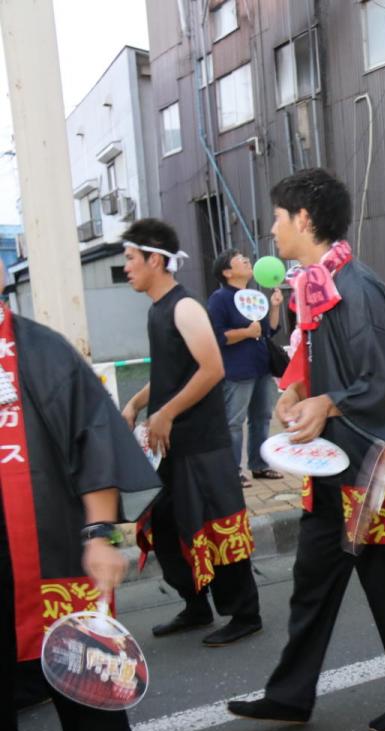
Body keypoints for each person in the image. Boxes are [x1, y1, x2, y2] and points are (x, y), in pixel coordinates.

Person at [227, 169, 385, 731]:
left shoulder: (357, 288)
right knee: (312, 582)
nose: (272, 229)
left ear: (304, 219)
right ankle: (290, 695)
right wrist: (298, 393)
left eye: (279, 217)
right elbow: (319, 368)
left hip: (370, 469)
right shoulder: (318, 283)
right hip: (331, 464)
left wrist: (326, 402)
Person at [0, 300, 160, 731]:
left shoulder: (42, 351)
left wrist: (100, 535)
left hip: (58, 563)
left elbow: (95, 443)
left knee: (94, 714)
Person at [121, 218, 262, 647]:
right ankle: (195, 604)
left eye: (130, 257)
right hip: (171, 445)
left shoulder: (184, 307)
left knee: (218, 524)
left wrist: (166, 412)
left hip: (203, 442)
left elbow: (212, 369)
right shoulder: (157, 310)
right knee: (167, 526)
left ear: (155, 260)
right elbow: (171, 372)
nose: (126, 266)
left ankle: (245, 613)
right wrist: (137, 404)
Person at [207, 249, 284, 487]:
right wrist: (246, 333)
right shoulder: (219, 299)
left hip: (261, 366)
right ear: (227, 272)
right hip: (237, 370)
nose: (247, 261)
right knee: (234, 422)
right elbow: (216, 336)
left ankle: (259, 465)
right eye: (240, 260)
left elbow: (268, 331)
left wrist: (275, 307)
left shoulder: (254, 296)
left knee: (262, 417)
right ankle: (233, 471)